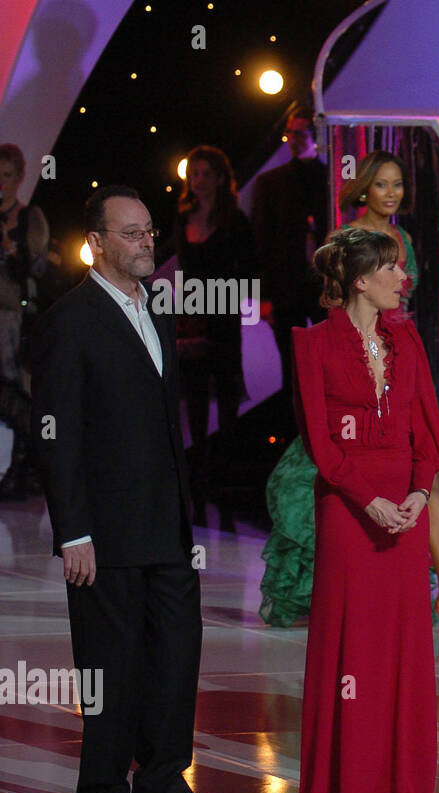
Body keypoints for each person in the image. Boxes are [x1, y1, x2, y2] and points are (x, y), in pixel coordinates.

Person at [30, 185, 237, 793]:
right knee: (110, 663)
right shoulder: (71, 319)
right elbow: (55, 431)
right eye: (130, 233)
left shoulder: (161, 311)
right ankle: (103, 792)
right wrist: (74, 531)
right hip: (106, 530)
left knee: (176, 657)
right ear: (96, 242)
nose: (147, 242)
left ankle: (162, 781)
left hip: (167, 524)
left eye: (149, 231)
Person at [257, 227, 439, 793]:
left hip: (406, 511)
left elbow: (428, 430)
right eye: (391, 269)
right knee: (351, 644)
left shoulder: (407, 340)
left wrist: (418, 493)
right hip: (347, 509)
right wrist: (368, 501)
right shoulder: (313, 345)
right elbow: (321, 443)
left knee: (401, 644)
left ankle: (403, 788)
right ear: (361, 280)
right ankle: (347, 789)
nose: (403, 278)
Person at [259, 149, 439, 629]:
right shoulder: (348, 240)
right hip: (354, 367)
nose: (392, 193)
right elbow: (338, 305)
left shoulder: (403, 239)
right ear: (364, 188)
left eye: (398, 183)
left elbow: (402, 300)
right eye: (382, 184)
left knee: (430, 472)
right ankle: (341, 592)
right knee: (340, 476)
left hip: (400, 356)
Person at [174, 145, 253, 530]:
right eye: (195, 174)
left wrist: (231, 300)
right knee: (195, 391)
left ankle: (223, 469)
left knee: (224, 389)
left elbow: (248, 269)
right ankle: (197, 471)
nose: (198, 180)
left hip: (222, 311)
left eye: (205, 173)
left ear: (220, 178)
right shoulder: (183, 217)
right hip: (194, 310)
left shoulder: (235, 220)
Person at [252, 110, 328, 397]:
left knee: (326, 361)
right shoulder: (272, 182)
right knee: (291, 366)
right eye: (290, 134)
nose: (294, 140)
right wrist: (264, 296)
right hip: (287, 285)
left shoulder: (331, 178)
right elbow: (262, 242)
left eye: (301, 133)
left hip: (323, 283)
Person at [0, 142, 49, 499]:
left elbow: (38, 267)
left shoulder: (31, 216)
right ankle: (22, 462)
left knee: (16, 385)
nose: (1, 183)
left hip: (15, 315)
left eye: (7, 175)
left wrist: (10, 246)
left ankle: (25, 463)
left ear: (19, 177)